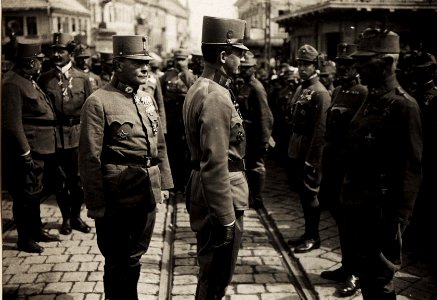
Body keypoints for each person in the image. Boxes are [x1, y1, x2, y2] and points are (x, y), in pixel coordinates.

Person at [78, 34, 174, 300]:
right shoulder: (98, 101)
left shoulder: (146, 99)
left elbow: (159, 144)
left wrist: (164, 183)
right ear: (118, 64)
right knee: (117, 258)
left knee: (135, 255)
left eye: (147, 63)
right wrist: (96, 203)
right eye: (137, 63)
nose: (146, 68)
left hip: (146, 189)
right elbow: (89, 159)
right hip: (117, 194)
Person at [341, 28, 422, 299]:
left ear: (387, 62)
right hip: (359, 206)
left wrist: (398, 220)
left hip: (383, 213)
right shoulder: (371, 99)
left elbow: (411, 168)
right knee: (367, 278)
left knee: (380, 281)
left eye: (365, 60)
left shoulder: (403, 106)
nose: (358, 66)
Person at [183, 16, 250, 299]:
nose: (242, 61)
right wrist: (225, 218)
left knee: (211, 271)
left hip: (209, 191)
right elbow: (215, 162)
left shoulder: (203, 87)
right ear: (223, 56)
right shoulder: (215, 96)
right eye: (239, 54)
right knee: (216, 276)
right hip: (221, 195)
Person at [318, 43, 368, 297]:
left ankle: (356, 273)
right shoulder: (337, 91)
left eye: (348, 64)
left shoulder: (363, 93)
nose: (343, 69)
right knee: (340, 220)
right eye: (341, 64)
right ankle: (346, 266)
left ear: (357, 67)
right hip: (334, 166)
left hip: (351, 168)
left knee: (353, 224)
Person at [2, 42, 60, 253]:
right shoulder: (12, 84)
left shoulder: (27, 80)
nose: (42, 63)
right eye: (39, 60)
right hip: (30, 149)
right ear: (30, 62)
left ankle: (36, 230)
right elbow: (12, 123)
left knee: (35, 193)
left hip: (42, 147)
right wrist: (25, 152)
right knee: (25, 196)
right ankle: (24, 239)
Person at [38, 32, 93, 235]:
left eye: (61, 51)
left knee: (77, 180)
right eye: (54, 51)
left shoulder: (83, 78)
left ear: (70, 53)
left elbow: (90, 109)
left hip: (78, 135)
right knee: (59, 181)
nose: (56, 55)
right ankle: (66, 219)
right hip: (55, 136)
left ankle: (77, 217)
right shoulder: (44, 79)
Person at [286, 44, 331, 253]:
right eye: (300, 64)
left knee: (310, 194)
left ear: (316, 66)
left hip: (310, 150)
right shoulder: (302, 88)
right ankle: (307, 233)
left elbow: (320, 130)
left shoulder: (320, 93)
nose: (302, 68)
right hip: (298, 145)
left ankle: (313, 237)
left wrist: (312, 159)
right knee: (303, 194)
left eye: (307, 64)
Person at [404, 50, 437, 262]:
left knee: (425, 201)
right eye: (416, 71)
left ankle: (423, 243)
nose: (416, 74)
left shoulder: (433, 97)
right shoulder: (413, 94)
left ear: (432, 71)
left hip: (427, 157)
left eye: (422, 71)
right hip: (412, 156)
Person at [233, 51, 274, 209]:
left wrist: (264, 139)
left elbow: (266, 115)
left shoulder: (257, 88)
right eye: (242, 67)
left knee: (256, 166)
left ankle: (257, 198)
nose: (243, 70)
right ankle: (250, 195)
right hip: (246, 134)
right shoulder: (244, 84)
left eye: (247, 68)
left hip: (256, 134)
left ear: (254, 68)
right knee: (247, 166)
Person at [161, 48, 196, 198]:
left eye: (183, 59)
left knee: (187, 154)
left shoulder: (192, 78)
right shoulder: (166, 77)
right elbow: (160, 98)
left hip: (186, 121)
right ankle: (174, 184)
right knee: (172, 153)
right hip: (171, 120)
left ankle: (185, 183)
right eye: (178, 60)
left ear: (188, 60)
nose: (180, 62)